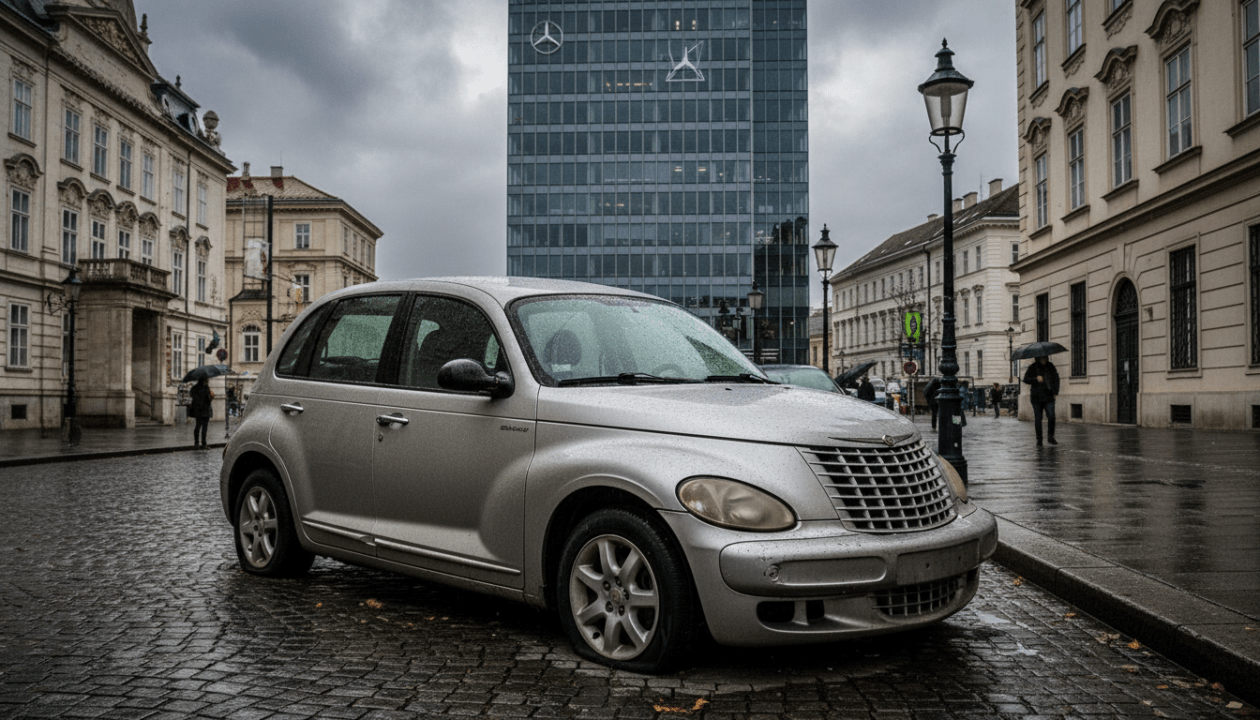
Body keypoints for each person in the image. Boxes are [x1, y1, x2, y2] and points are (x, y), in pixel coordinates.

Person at [1023, 355, 1060, 446]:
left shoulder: (1050, 366)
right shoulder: (1033, 367)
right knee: (1038, 418)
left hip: (1049, 396)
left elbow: (1056, 378)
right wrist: (1035, 379)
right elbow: (1025, 379)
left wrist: (1055, 392)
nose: (1044, 360)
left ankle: (1050, 436)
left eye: (1045, 358)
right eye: (1042, 358)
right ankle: (1039, 439)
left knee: (1051, 416)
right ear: (1038, 359)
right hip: (1036, 397)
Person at [189, 377, 213, 448]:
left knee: (197, 426)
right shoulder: (206, 388)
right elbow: (208, 399)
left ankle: (196, 443)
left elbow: (192, 396)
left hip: (197, 410)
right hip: (205, 410)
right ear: (205, 380)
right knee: (204, 428)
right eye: (207, 380)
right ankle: (203, 444)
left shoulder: (194, 388)